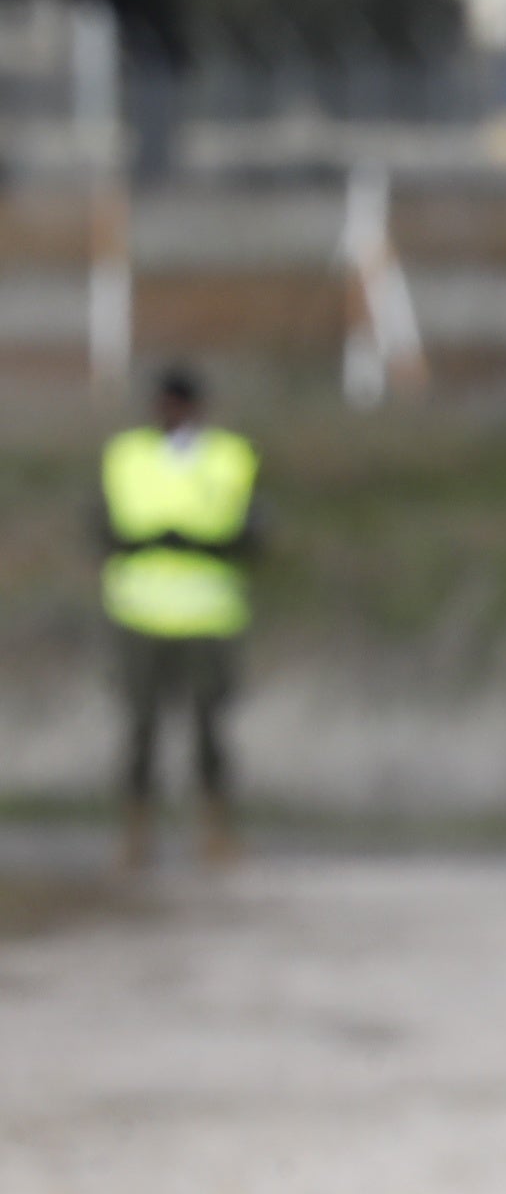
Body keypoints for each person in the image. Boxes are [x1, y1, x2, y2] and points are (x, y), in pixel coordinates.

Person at [95, 364, 261, 871]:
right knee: (141, 731)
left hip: (209, 613)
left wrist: (198, 543)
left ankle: (215, 833)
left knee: (209, 730)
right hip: (139, 611)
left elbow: (253, 532)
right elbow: (101, 526)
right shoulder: (126, 455)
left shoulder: (230, 457)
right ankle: (136, 836)